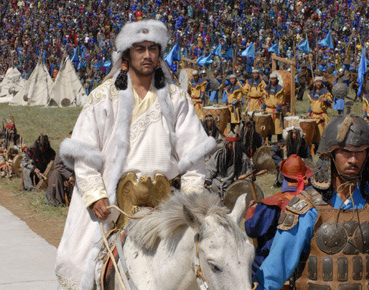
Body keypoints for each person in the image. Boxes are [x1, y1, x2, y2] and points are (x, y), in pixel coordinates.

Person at [55, 20, 215, 289]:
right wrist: (96, 195)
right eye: (140, 48)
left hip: (166, 207)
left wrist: (191, 202)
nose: (148, 55)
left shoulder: (177, 98)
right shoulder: (103, 97)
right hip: (113, 205)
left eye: (153, 48)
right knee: (85, 267)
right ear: (127, 54)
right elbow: (83, 154)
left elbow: (194, 157)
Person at [254, 114, 369, 289]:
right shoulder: (306, 209)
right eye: (346, 151)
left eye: (360, 152)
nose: (353, 159)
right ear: (330, 154)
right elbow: (276, 268)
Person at [245, 154, 313, 280]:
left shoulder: (272, 203)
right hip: (309, 262)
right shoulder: (316, 200)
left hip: (274, 262)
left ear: (283, 176)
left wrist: (252, 209)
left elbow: (252, 229)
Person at [205, 131, 253, 197]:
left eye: (232, 143)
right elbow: (211, 168)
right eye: (229, 143)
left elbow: (246, 175)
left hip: (232, 186)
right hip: (216, 184)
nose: (230, 145)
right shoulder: (220, 154)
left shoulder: (243, 158)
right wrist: (207, 180)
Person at [45, 132, 75, 207]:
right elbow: (57, 165)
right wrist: (69, 175)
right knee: (55, 173)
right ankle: (56, 200)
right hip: (64, 174)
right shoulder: (62, 149)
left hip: (77, 174)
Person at [307, 76, 333, 151]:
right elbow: (312, 104)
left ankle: (321, 149)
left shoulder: (326, 92)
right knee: (313, 133)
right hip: (313, 116)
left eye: (319, 82)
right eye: (317, 82)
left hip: (321, 116)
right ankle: (314, 149)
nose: (318, 83)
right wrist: (309, 112)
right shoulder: (312, 93)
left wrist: (325, 100)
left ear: (322, 83)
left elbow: (330, 104)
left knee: (321, 134)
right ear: (315, 83)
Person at [263, 72, 285, 141]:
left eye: (274, 79)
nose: (273, 80)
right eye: (272, 79)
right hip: (269, 110)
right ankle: (268, 141)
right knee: (269, 127)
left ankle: (280, 142)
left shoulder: (280, 89)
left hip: (276, 111)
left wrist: (277, 109)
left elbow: (281, 100)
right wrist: (263, 108)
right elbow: (265, 100)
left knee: (278, 128)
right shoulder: (267, 88)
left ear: (276, 79)